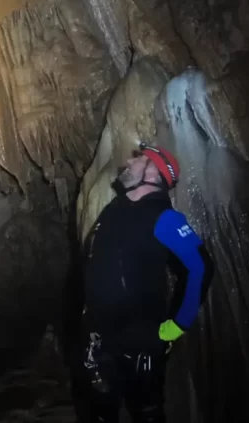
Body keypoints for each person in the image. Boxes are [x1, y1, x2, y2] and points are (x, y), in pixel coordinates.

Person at [80, 142, 214, 423]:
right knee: (99, 412)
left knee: (147, 414)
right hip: (99, 338)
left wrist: (176, 326)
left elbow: (201, 267)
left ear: (153, 173)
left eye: (138, 159)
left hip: (139, 338)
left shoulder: (164, 218)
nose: (128, 162)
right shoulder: (112, 212)